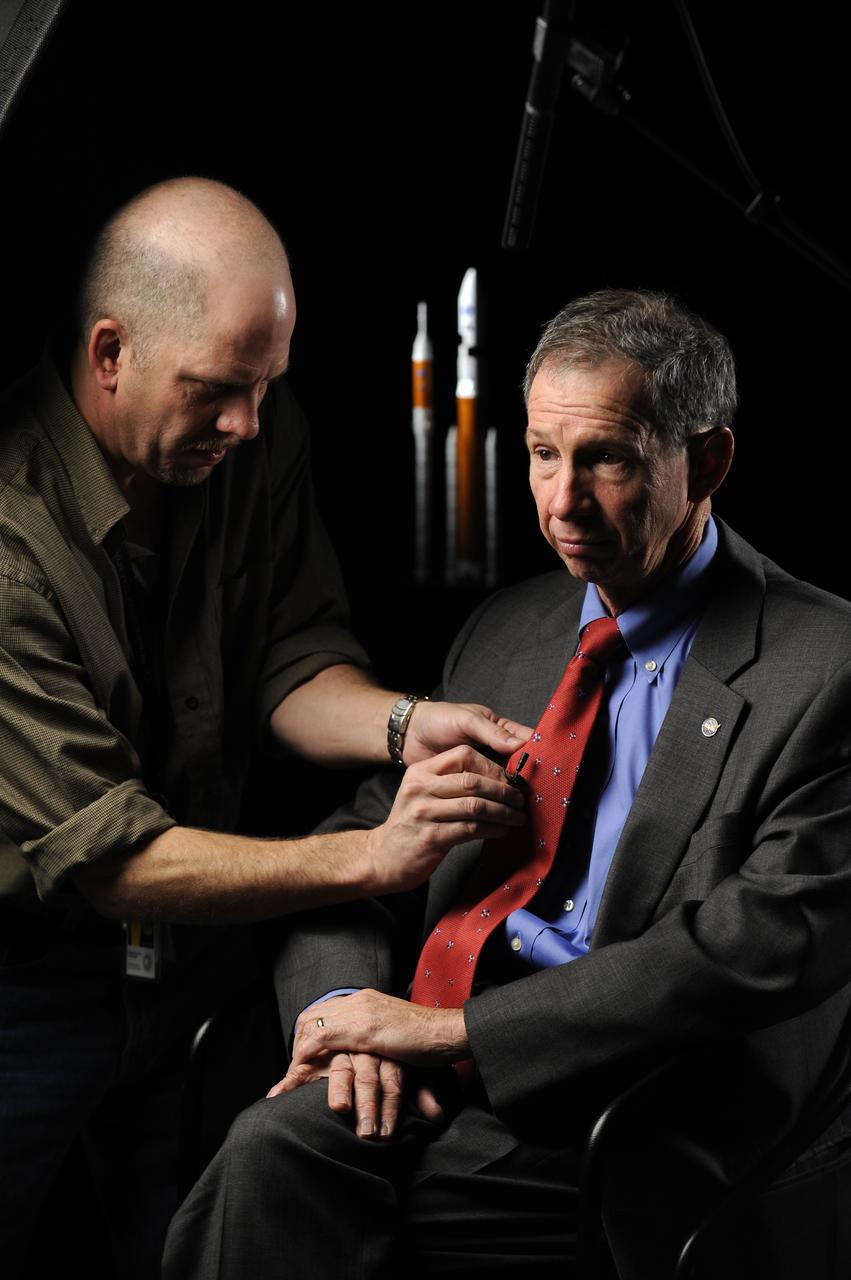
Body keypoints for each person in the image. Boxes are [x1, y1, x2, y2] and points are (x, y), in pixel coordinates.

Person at [164, 288, 851, 1279]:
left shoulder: (823, 663)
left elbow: (760, 942)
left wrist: (451, 1029)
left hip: (623, 1106)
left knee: (288, 1198)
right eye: (540, 453)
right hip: (420, 1062)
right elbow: (364, 846)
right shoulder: (510, 629)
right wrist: (347, 1013)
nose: (560, 500)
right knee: (267, 1150)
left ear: (706, 461)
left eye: (605, 457)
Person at [0, 177, 531, 1278]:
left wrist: (406, 724)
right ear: (110, 354)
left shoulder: (249, 433)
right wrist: (374, 855)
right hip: (26, 985)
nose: (247, 424)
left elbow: (293, 655)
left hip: (192, 965)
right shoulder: (7, 551)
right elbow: (119, 857)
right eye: (217, 393)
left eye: (264, 388)